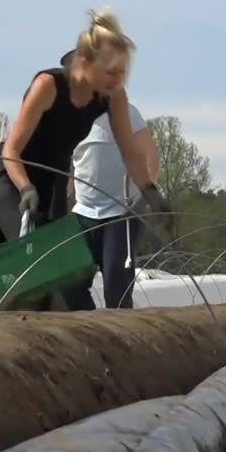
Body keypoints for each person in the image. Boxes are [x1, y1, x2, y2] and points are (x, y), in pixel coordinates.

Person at [0, 7, 170, 309]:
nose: (117, 80)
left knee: (67, 281)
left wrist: (150, 190)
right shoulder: (48, 86)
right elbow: (11, 150)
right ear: (85, 61)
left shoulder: (113, 96)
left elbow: (130, 150)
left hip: (51, 183)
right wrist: (26, 189)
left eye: (123, 73)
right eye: (111, 72)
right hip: (13, 179)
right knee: (39, 267)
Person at [71, 98, 161, 308]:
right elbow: (73, 164)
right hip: (83, 212)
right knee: (71, 283)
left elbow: (151, 159)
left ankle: (120, 334)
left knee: (115, 281)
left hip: (121, 213)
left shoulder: (128, 114)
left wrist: (142, 200)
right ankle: (88, 330)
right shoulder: (73, 117)